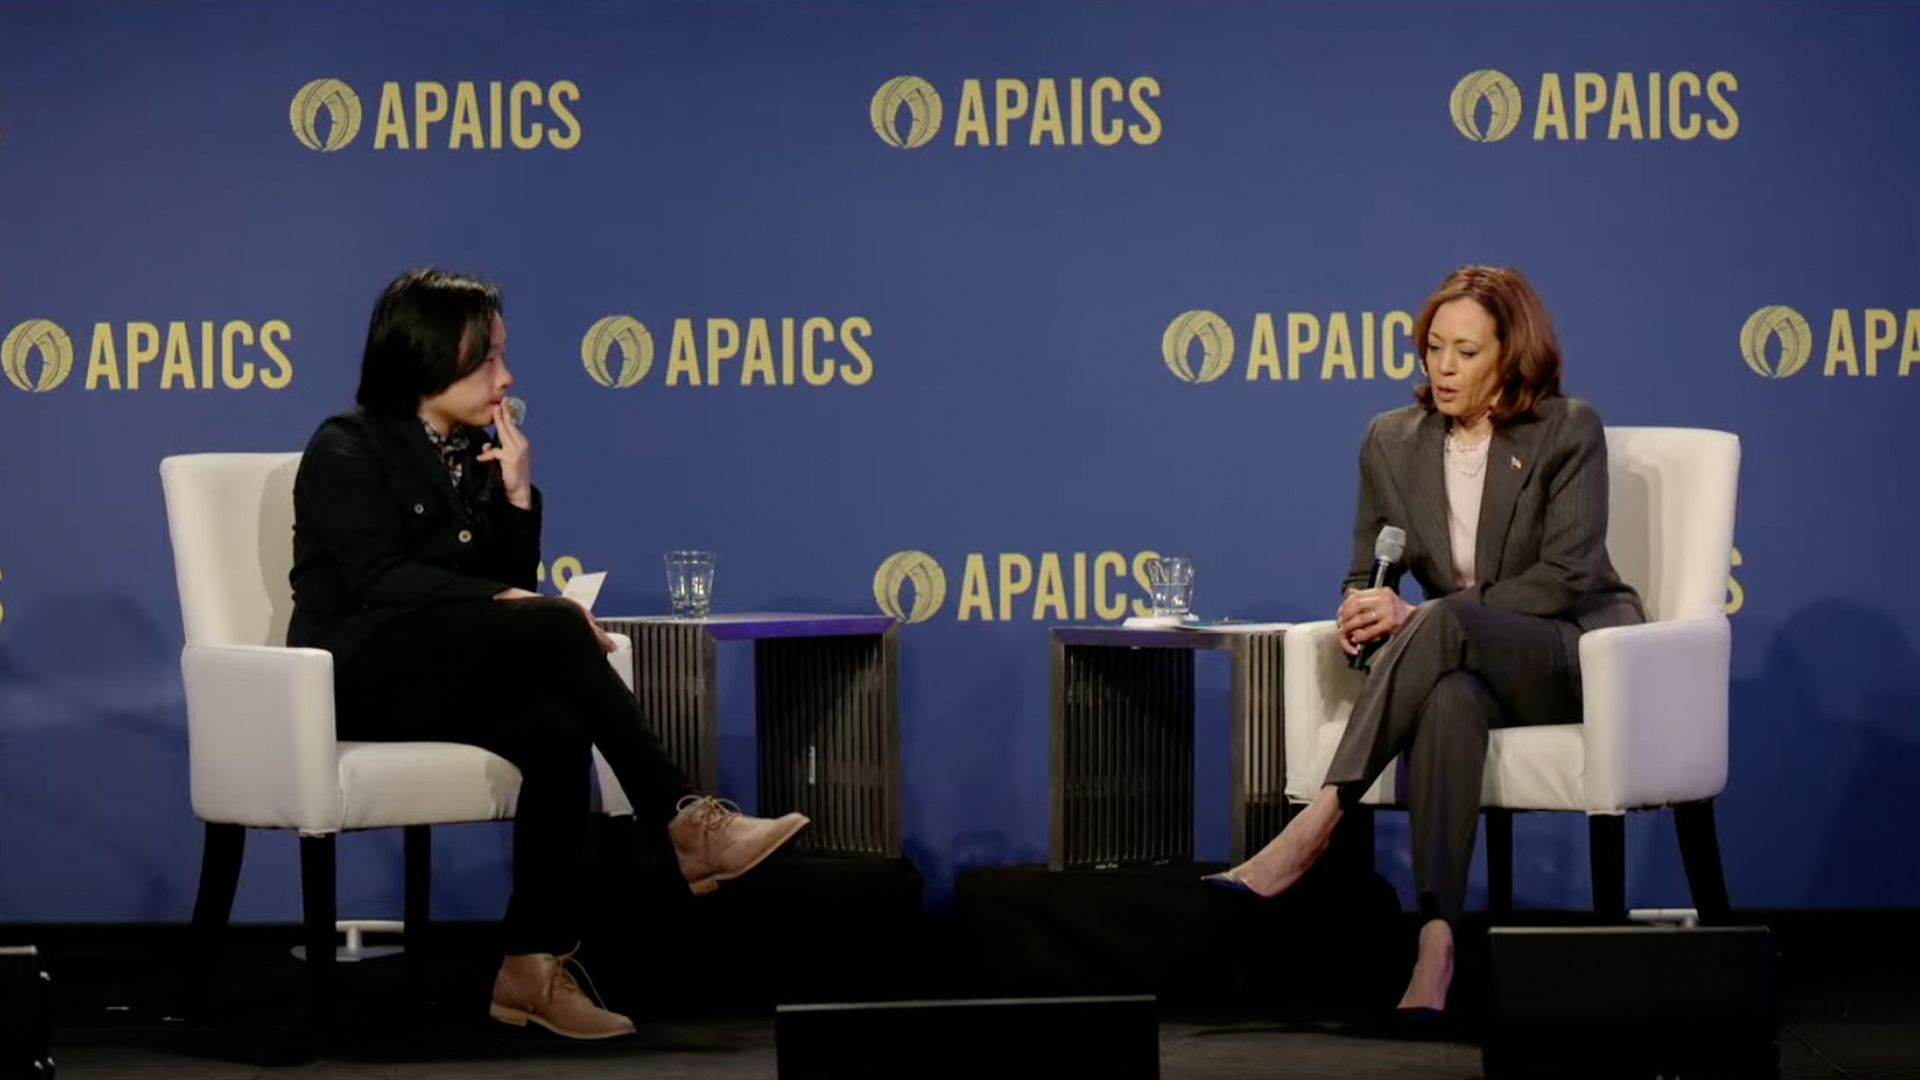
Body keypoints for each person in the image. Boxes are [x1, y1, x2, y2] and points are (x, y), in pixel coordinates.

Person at [288, 268, 808, 1040]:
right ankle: (686, 822)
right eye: (487, 359)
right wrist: (532, 606)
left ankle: (531, 967)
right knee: (559, 624)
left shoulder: (472, 454)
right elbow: (382, 579)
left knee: (556, 727)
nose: (508, 376)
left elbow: (497, 588)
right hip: (354, 674)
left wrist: (519, 500)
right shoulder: (347, 447)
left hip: (439, 672)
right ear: (430, 359)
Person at [1204, 265, 1643, 1018]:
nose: (1443, 367)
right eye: (1434, 347)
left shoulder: (1567, 428)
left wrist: (1427, 617)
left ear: (1511, 353)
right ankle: (1437, 944)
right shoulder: (1391, 441)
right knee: (1447, 697)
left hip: (1566, 654)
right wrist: (1363, 608)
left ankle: (1319, 820)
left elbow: (1566, 579)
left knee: (1442, 618)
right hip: (1461, 660)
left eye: (1466, 352)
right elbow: (1362, 569)